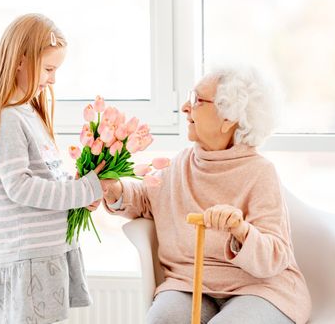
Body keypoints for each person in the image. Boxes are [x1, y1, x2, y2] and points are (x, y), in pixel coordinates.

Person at [101, 66, 312, 323]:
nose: (185, 108)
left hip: (260, 289)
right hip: (189, 284)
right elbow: (147, 197)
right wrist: (115, 191)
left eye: (197, 100)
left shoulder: (260, 172)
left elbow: (274, 256)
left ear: (229, 118)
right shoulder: (180, 164)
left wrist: (240, 230)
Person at [0, 13, 104, 324]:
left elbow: (46, 175)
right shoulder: (8, 119)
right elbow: (20, 186)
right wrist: (81, 189)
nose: (53, 79)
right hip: (31, 256)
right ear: (20, 61)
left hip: (47, 251)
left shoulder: (30, 114)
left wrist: (76, 191)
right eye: (48, 69)